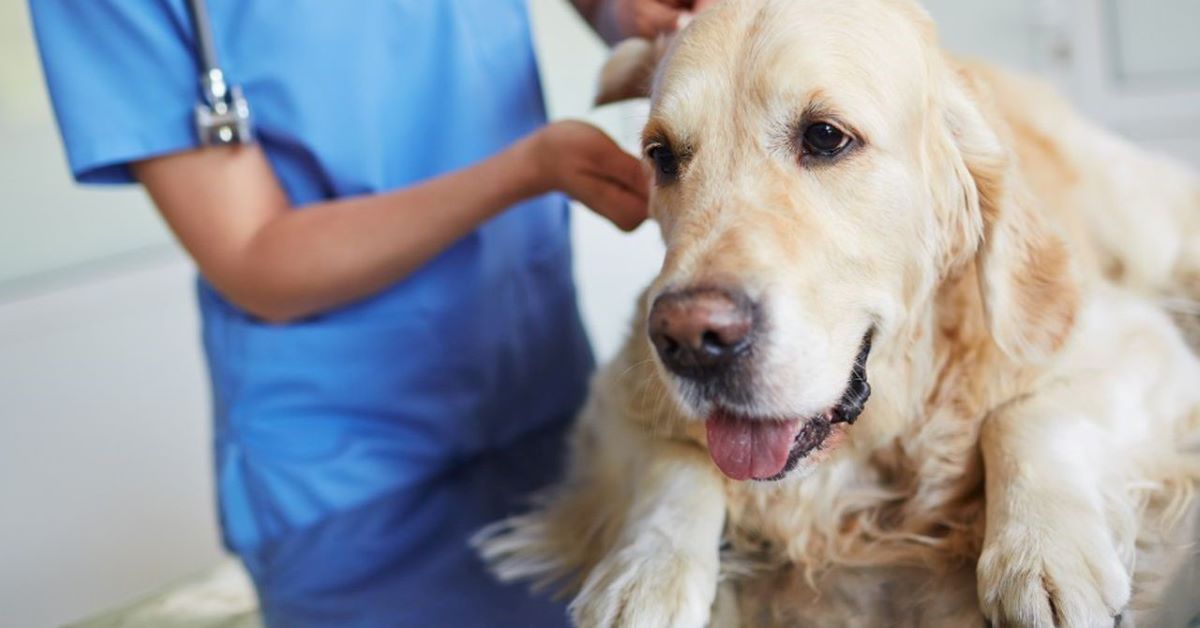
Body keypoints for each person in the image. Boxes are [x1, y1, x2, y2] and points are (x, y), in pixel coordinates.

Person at [29, 0, 706, 625]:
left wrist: (622, 11)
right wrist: (527, 169)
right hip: (347, 470)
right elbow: (252, 254)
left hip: (549, 399)